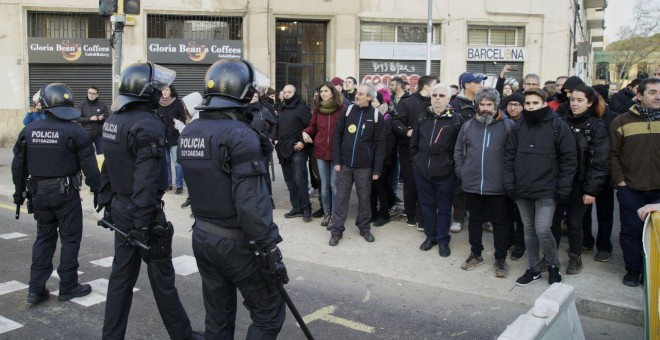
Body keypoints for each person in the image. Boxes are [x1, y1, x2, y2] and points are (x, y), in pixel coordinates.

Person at [178, 58, 287, 339]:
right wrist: (269, 249)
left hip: (202, 234)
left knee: (218, 315)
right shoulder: (239, 134)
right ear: (241, 92)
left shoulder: (191, 131)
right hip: (236, 243)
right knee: (269, 312)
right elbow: (251, 204)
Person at [97, 62, 201, 339]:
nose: (160, 93)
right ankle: (183, 335)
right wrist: (143, 224)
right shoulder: (148, 125)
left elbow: (108, 166)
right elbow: (145, 179)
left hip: (121, 206)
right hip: (143, 212)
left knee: (120, 278)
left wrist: (107, 202)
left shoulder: (114, 119)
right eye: (156, 89)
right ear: (147, 92)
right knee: (162, 279)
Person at [12, 83, 101, 305]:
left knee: (44, 237)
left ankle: (35, 289)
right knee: (70, 239)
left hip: (39, 193)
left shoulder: (29, 131)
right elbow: (90, 166)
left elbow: (18, 165)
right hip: (66, 194)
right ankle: (68, 286)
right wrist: (99, 190)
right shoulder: (75, 131)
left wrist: (19, 191)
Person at [505, 88, 577, 287]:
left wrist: (563, 188)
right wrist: (510, 184)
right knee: (528, 230)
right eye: (527, 103)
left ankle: (553, 266)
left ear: (544, 103)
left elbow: (569, 159)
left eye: (535, 103)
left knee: (543, 229)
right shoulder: (518, 126)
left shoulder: (558, 126)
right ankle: (534, 268)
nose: (530, 107)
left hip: (547, 189)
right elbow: (509, 157)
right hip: (522, 188)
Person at [454, 87, 514, 276]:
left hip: (497, 186)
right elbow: (458, 151)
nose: (486, 108)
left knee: (499, 223)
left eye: (490, 104)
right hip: (472, 184)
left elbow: (513, 155)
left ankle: (500, 259)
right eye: (482, 104)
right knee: (475, 220)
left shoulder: (508, 126)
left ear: (496, 105)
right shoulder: (468, 125)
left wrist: (508, 178)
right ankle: (476, 253)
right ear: (477, 105)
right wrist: (462, 171)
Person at [610, 78, 660, 287]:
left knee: (658, 233)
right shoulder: (621, 122)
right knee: (630, 231)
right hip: (631, 189)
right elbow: (613, 154)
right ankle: (633, 270)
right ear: (639, 95)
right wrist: (621, 182)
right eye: (652, 92)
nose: (658, 96)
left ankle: (654, 272)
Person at [560, 85, 610, 275]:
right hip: (559, 181)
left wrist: (591, 190)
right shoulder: (561, 122)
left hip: (580, 183)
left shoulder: (596, 126)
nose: (574, 103)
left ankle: (575, 257)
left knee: (574, 222)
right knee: (554, 221)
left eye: (579, 100)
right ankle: (549, 257)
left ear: (589, 102)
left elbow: (600, 160)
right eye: (572, 99)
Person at [329, 83, 385, 246]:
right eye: (357, 93)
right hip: (345, 165)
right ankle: (337, 231)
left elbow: (381, 144)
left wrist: (377, 169)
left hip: (365, 167)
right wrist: (337, 160)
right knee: (341, 198)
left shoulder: (376, 116)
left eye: (361, 94)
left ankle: (364, 227)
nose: (357, 96)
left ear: (369, 97)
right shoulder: (347, 112)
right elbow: (337, 136)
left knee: (364, 199)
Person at [411, 83, 464, 257]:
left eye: (442, 95)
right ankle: (430, 236)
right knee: (426, 206)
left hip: (445, 173)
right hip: (422, 172)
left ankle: (443, 239)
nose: (438, 98)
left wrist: (453, 168)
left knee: (443, 208)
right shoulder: (422, 118)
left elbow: (460, 148)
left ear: (449, 99)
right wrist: (416, 163)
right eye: (435, 95)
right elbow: (414, 144)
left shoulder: (456, 120)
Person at [392, 75, 438, 229]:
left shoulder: (436, 103)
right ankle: (411, 215)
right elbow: (396, 122)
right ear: (426, 86)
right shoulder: (408, 102)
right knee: (411, 184)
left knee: (426, 185)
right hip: (408, 150)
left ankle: (422, 216)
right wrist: (407, 132)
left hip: (430, 151)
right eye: (435, 85)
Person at [581, 85, 619, 262]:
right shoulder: (584, 117)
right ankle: (586, 240)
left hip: (605, 173)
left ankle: (604, 246)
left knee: (604, 211)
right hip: (585, 172)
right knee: (583, 211)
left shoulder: (614, 119)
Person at [302, 82, 344, 227]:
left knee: (334, 185)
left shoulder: (342, 109)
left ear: (333, 92)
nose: (323, 94)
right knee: (324, 186)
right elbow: (312, 127)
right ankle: (327, 213)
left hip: (337, 153)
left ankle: (335, 215)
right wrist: (305, 132)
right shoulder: (317, 110)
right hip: (320, 152)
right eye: (321, 92)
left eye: (326, 91)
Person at [449, 72, 485, 233]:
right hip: (461, 152)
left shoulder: (483, 102)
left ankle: (483, 218)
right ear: (466, 85)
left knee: (482, 187)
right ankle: (458, 217)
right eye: (477, 83)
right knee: (459, 187)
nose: (480, 86)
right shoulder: (454, 104)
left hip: (481, 152)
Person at [274, 84, 313, 221]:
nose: (286, 94)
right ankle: (296, 208)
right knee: (290, 181)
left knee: (299, 179)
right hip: (283, 148)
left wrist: (303, 142)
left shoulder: (302, 108)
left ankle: (306, 208)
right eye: (284, 92)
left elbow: (310, 127)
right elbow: (277, 126)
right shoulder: (282, 108)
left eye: (289, 92)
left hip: (298, 149)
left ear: (295, 93)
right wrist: (275, 139)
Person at [369, 89, 397, 226]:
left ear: (380, 102)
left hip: (384, 160)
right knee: (372, 187)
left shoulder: (387, 117)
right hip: (370, 159)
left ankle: (384, 214)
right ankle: (372, 213)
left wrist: (382, 160)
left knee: (380, 186)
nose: (371, 103)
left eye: (373, 101)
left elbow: (389, 143)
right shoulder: (370, 115)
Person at [247, 89, 278, 207]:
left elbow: (274, 124)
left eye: (255, 97)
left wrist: (270, 137)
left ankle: (268, 198)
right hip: (247, 146)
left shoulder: (264, 110)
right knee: (249, 172)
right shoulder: (242, 111)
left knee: (264, 172)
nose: (253, 99)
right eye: (251, 97)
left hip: (262, 146)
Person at [158, 85, 186, 194]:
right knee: (166, 162)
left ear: (171, 91)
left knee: (177, 162)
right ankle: (168, 184)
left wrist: (177, 123)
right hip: (162, 137)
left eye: (167, 90)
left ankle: (179, 186)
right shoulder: (159, 103)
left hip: (174, 136)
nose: (164, 92)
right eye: (163, 90)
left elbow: (183, 118)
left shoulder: (177, 102)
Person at [76, 85, 109, 155]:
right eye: (89, 93)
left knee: (102, 154)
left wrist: (102, 118)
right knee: (87, 154)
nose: (91, 95)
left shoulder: (102, 105)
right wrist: (90, 119)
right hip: (86, 134)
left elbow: (107, 118)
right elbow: (77, 118)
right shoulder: (82, 104)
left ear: (97, 95)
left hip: (99, 135)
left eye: (93, 93)